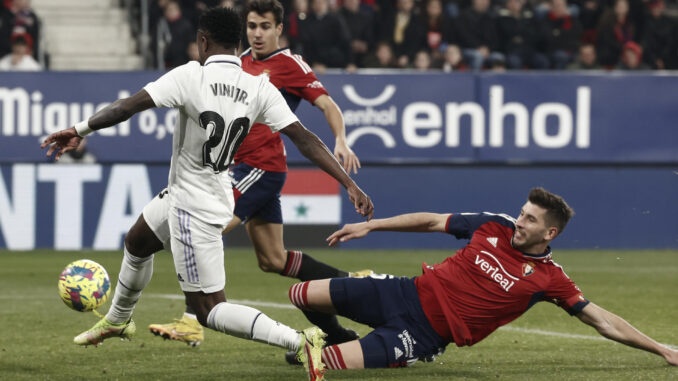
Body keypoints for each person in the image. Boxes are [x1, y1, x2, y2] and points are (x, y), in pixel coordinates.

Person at [40, 8, 373, 380]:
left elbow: (126, 107)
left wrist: (79, 130)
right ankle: (118, 320)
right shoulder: (259, 85)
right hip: (200, 192)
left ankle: (301, 340)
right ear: (239, 42)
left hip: (192, 207)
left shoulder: (190, 75)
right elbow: (305, 140)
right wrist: (349, 182)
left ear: (202, 40)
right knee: (137, 241)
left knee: (210, 310)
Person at [147, 0, 367, 361]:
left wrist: (341, 139)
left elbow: (326, 104)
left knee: (203, 227)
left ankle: (191, 319)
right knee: (273, 259)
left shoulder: (290, 65)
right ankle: (346, 304)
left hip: (260, 168)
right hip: (238, 168)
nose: (258, 33)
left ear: (280, 28)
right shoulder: (238, 62)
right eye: (252, 26)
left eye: (265, 26)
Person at [287, 187, 678, 377]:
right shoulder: (495, 225)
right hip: (402, 291)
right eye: (522, 213)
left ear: (550, 233)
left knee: (324, 365)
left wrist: (661, 349)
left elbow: (602, 321)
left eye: (529, 220)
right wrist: (371, 225)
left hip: (424, 334)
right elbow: (432, 221)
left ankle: (351, 349)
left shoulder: (550, 279)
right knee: (300, 293)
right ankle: (339, 334)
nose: (519, 222)